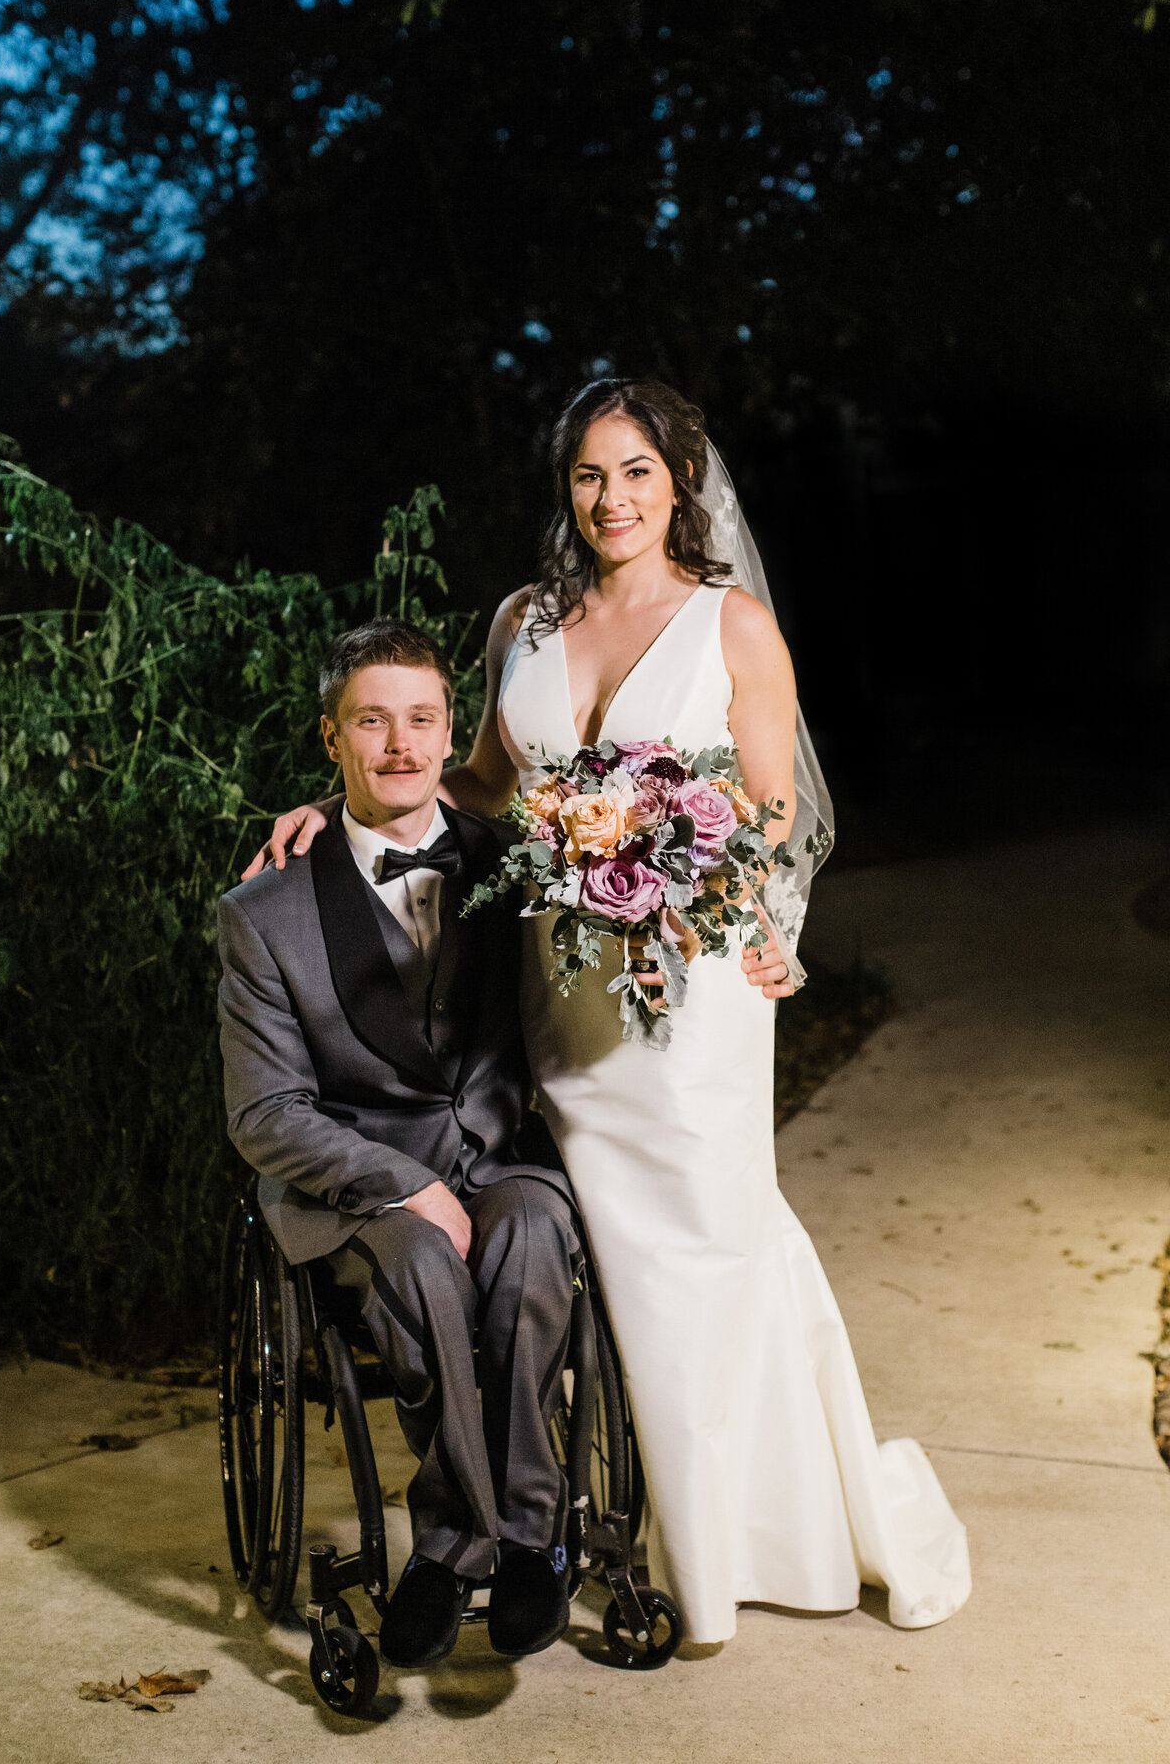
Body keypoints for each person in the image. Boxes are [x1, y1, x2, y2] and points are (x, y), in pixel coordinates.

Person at [246, 380, 972, 1644]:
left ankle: (738, 1547)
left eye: (637, 472)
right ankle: (591, 1518)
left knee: (705, 1240)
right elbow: (477, 781)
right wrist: (331, 819)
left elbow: (773, 811)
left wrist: (696, 883)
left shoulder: (734, 626)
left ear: (681, 482)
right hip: (556, 993)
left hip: (684, 995)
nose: (612, 499)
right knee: (613, 1257)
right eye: (590, 475)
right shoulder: (522, 622)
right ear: (565, 486)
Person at [217, 619, 582, 1669]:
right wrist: (400, 1185)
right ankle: (474, 1545)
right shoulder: (264, 914)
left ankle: (506, 1541)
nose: (400, 746)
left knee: (533, 1235)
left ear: (450, 730)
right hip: (359, 1187)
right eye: (371, 722)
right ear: (330, 738)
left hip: (502, 1157)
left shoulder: (519, 869)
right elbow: (264, 1113)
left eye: (421, 720)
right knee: (423, 1258)